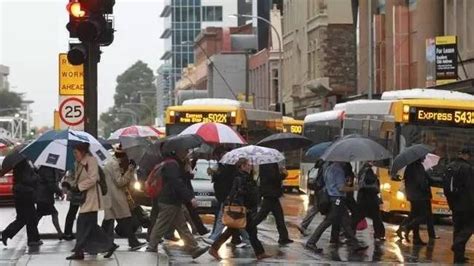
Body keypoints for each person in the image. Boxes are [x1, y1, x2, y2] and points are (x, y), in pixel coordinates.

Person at [146, 146, 209, 259]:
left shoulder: (171, 163)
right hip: (169, 200)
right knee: (161, 225)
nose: (186, 153)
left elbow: (178, 179)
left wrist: (187, 170)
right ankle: (151, 247)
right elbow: (177, 183)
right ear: (177, 151)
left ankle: (194, 249)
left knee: (182, 226)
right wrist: (190, 197)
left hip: (172, 200)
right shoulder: (172, 164)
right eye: (185, 150)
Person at [208, 158, 271, 261]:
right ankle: (214, 249)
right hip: (242, 209)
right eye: (248, 165)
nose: (250, 166)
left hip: (246, 208)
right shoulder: (240, 178)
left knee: (247, 230)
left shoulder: (247, 177)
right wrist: (243, 206)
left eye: (250, 165)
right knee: (244, 230)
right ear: (242, 166)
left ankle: (260, 253)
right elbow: (236, 194)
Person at [66, 143, 116, 260]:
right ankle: (109, 245)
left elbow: (93, 179)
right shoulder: (78, 163)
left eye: (76, 152)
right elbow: (78, 179)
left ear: (83, 152)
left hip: (92, 197)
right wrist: (70, 184)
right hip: (86, 198)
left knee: (82, 223)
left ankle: (79, 251)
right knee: (90, 226)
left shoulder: (91, 160)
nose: (75, 155)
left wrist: (79, 187)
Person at [305, 161, 368, 253]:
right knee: (328, 221)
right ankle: (311, 242)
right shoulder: (338, 170)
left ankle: (355, 244)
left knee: (345, 222)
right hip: (337, 199)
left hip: (333, 198)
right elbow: (341, 188)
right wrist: (355, 188)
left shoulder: (329, 168)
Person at [101, 146, 146, 251]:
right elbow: (120, 182)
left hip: (111, 197)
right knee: (125, 219)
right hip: (116, 197)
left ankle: (106, 243)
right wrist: (129, 170)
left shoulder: (111, 163)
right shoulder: (115, 165)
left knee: (109, 221)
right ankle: (132, 241)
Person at [206, 148, 249, 247]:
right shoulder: (220, 166)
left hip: (230, 197)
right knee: (236, 220)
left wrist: (230, 198)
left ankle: (214, 238)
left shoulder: (234, 169)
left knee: (225, 218)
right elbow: (217, 180)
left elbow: (233, 184)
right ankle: (245, 239)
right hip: (225, 196)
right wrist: (214, 174)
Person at [1, 159, 42, 247]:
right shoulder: (23, 163)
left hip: (21, 193)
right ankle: (33, 240)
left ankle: (7, 233)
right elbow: (27, 179)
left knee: (23, 218)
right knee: (31, 217)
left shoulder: (23, 162)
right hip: (25, 194)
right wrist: (37, 176)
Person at [444, 148, 474, 263]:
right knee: (469, 227)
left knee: (457, 229)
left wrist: (450, 202)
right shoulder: (467, 168)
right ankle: (457, 245)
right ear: (467, 156)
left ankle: (458, 257)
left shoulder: (449, 166)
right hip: (467, 204)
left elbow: (446, 187)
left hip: (454, 203)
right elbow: (470, 188)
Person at [252, 163, 293, 245]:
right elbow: (274, 178)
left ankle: (283, 237)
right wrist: (284, 174)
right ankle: (247, 228)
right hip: (270, 194)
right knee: (261, 216)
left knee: (279, 216)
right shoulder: (269, 164)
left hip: (271, 194)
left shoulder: (265, 163)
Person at [396, 158, 434, 245]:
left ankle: (415, 238)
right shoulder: (418, 166)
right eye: (423, 156)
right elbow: (421, 182)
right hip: (420, 196)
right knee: (423, 215)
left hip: (412, 195)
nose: (424, 157)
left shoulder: (410, 167)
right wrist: (426, 189)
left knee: (414, 215)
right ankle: (407, 227)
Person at [351, 162, 385, 241]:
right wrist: (376, 178)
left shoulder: (362, 171)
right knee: (376, 217)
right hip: (370, 198)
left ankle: (350, 230)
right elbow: (371, 182)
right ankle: (379, 234)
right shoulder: (368, 171)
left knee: (359, 216)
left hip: (363, 198)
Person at [297, 159, 327, 236]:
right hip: (323, 191)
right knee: (319, 209)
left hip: (318, 190)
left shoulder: (319, 162)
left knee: (317, 208)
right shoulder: (326, 164)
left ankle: (304, 225)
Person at [36, 166, 64, 240]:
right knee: (54, 213)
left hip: (42, 195)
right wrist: (60, 192)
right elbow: (51, 183)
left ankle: (32, 233)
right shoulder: (48, 169)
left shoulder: (44, 168)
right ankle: (60, 233)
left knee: (39, 214)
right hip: (44, 196)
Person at [61, 169, 79, 241]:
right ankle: (68, 232)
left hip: (76, 192)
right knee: (72, 213)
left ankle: (68, 232)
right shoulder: (74, 168)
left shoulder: (75, 167)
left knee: (72, 213)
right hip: (76, 193)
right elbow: (71, 180)